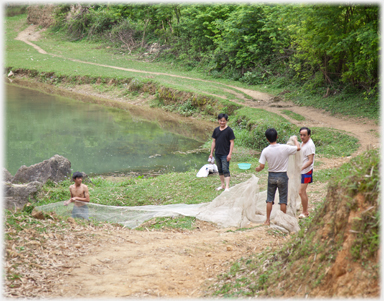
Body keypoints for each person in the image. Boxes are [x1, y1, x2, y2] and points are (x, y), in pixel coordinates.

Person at [255, 128, 300, 225]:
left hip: (271, 176)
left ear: (267, 139)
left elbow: (262, 166)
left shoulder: (265, 151)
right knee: (283, 200)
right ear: (277, 137)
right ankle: (282, 221)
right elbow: (298, 148)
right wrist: (295, 140)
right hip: (282, 175)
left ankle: (267, 220)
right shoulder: (285, 148)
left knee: (269, 199)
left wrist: (258, 169)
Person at [209, 113, 235, 192]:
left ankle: (227, 187)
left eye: (224, 121)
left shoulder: (229, 130)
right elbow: (214, 142)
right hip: (217, 153)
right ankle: (222, 185)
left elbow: (232, 142)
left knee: (225, 169)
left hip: (225, 154)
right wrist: (211, 153)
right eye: (220, 121)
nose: (222, 122)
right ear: (218, 120)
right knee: (220, 169)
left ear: (226, 121)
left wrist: (230, 154)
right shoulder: (216, 130)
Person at [298, 127, 316, 219]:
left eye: (304, 135)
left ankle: (305, 211)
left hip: (306, 171)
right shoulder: (303, 143)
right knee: (301, 191)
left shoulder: (309, 145)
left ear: (309, 135)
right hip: (302, 170)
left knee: (301, 192)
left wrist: (301, 168)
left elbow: (310, 160)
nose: (302, 137)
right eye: (301, 135)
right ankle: (305, 210)